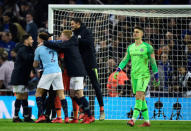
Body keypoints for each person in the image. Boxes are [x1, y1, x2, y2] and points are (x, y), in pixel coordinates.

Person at [44, 30, 95, 124]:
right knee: (72, 94)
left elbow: (59, 46)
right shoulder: (70, 43)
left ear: (66, 37)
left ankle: (90, 115)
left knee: (79, 94)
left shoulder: (70, 43)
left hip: (77, 72)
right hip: (72, 73)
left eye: (61, 36)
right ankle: (84, 112)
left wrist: (44, 42)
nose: (60, 38)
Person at [114, 26, 160, 127]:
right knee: (141, 98)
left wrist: (156, 77)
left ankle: (133, 120)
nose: (135, 34)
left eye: (137, 32)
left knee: (139, 95)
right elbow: (125, 60)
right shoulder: (130, 47)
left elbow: (153, 63)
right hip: (133, 75)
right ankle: (147, 121)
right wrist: (118, 70)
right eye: (134, 32)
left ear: (142, 34)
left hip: (144, 75)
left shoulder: (148, 47)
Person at [70, 18, 105, 120]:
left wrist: (77, 40)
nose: (71, 25)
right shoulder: (73, 34)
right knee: (77, 89)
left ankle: (102, 110)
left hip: (90, 63)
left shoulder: (86, 31)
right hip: (80, 65)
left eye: (72, 24)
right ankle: (83, 110)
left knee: (95, 85)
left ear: (78, 24)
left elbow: (89, 42)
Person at [33, 32, 69, 123]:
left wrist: (36, 64)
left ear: (41, 39)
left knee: (38, 93)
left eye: (38, 38)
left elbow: (35, 64)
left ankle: (41, 116)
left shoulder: (39, 49)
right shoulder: (55, 46)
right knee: (61, 94)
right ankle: (67, 117)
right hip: (58, 71)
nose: (37, 39)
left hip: (48, 72)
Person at [10, 34, 34, 122]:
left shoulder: (27, 49)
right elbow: (27, 58)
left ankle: (26, 116)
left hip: (24, 76)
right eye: (31, 39)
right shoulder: (22, 49)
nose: (32, 41)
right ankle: (15, 117)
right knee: (19, 96)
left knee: (25, 96)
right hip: (19, 76)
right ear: (26, 41)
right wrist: (36, 54)